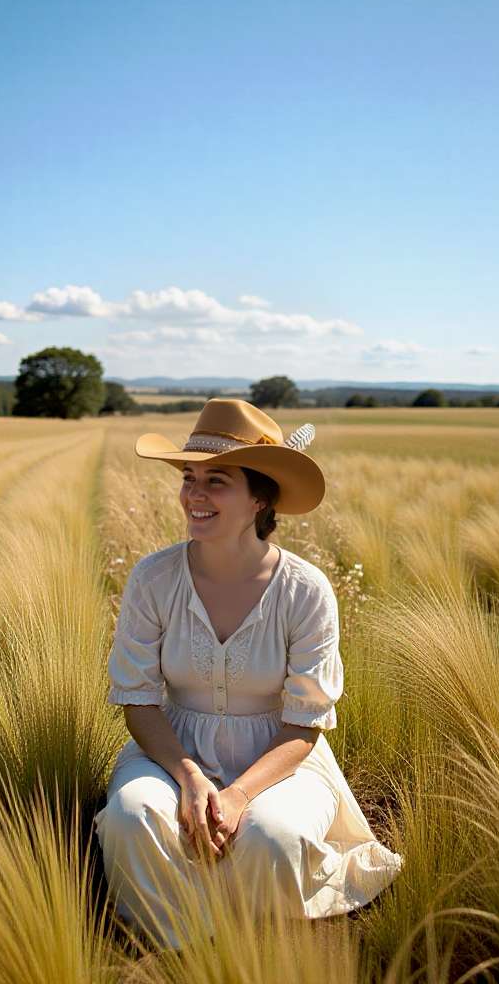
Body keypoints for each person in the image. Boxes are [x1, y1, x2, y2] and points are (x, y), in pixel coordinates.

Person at [93, 398, 403, 951]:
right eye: (189, 478)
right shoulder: (152, 578)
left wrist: (236, 794)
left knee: (271, 837)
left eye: (217, 480)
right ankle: (181, 946)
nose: (194, 494)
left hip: (281, 758)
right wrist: (190, 779)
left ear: (260, 498)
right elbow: (138, 701)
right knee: (132, 816)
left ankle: (256, 943)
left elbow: (305, 724)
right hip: (171, 747)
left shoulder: (306, 591)